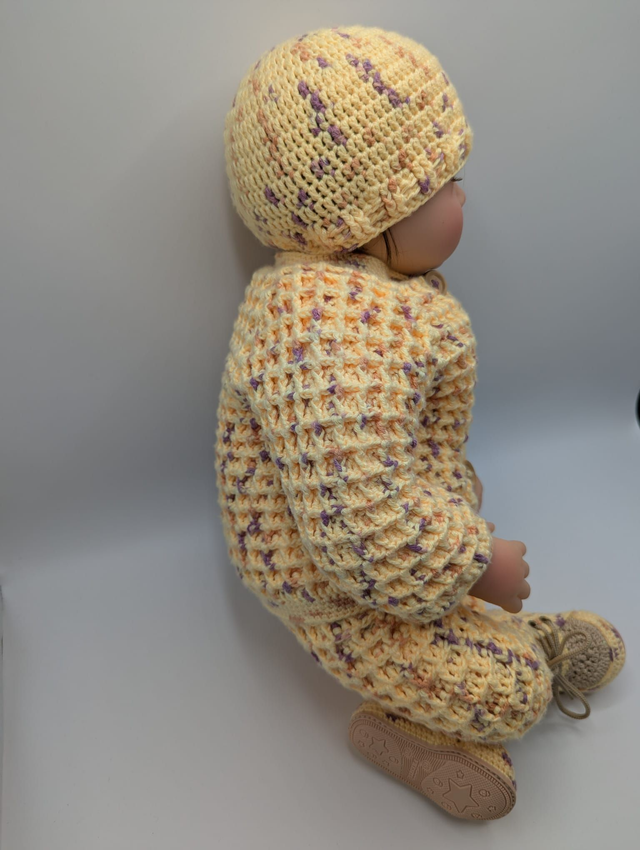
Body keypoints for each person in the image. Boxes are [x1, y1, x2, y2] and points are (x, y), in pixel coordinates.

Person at [216, 25, 626, 820]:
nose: (462, 198)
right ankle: (428, 719)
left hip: (400, 561)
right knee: (513, 696)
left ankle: (495, 639)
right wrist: (478, 564)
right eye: (441, 186)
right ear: (367, 214)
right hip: (339, 593)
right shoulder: (324, 337)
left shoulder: (361, 297)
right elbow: (360, 529)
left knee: (443, 618)